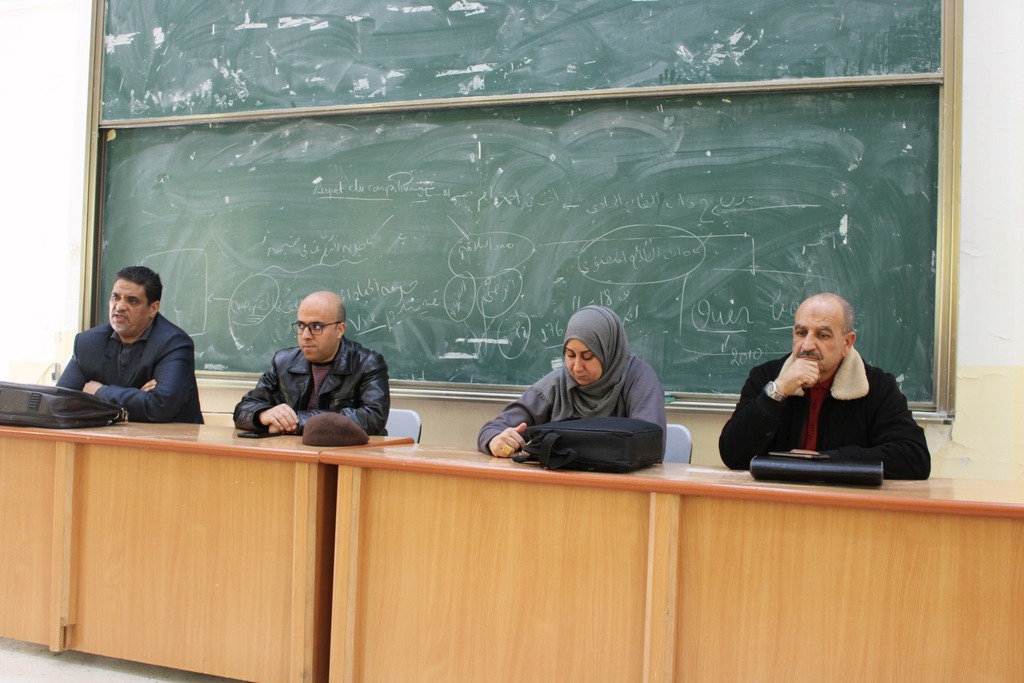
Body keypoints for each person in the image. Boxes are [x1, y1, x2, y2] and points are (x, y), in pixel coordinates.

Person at [718, 293, 930, 479]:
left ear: (847, 343)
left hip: (843, 504)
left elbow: (914, 458)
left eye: (822, 335)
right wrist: (777, 392)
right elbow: (733, 455)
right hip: (778, 500)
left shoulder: (877, 387)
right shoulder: (767, 377)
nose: (807, 345)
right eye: (801, 333)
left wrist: (823, 460)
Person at [478, 305, 666, 457]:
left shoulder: (639, 379)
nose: (576, 367)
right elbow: (493, 429)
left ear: (608, 353)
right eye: (570, 355)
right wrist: (495, 440)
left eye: (587, 356)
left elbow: (650, 444)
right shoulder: (557, 384)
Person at [57, 265, 204, 423]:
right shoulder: (88, 342)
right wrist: (138, 397)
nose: (119, 307)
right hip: (106, 435)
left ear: (153, 308)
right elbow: (61, 401)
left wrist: (100, 392)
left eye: (132, 300)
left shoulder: (174, 343)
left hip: (168, 437)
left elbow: (160, 407)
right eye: (115, 297)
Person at [233, 291, 390, 435]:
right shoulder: (283, 362)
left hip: (345, 453)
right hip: (292, 452)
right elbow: (243, 410)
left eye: (316, 326)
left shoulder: (367, 364)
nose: (306, 335)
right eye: (301, 326)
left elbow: (373, 418)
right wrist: (262, 415)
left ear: (340, 330)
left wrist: (298, 421)